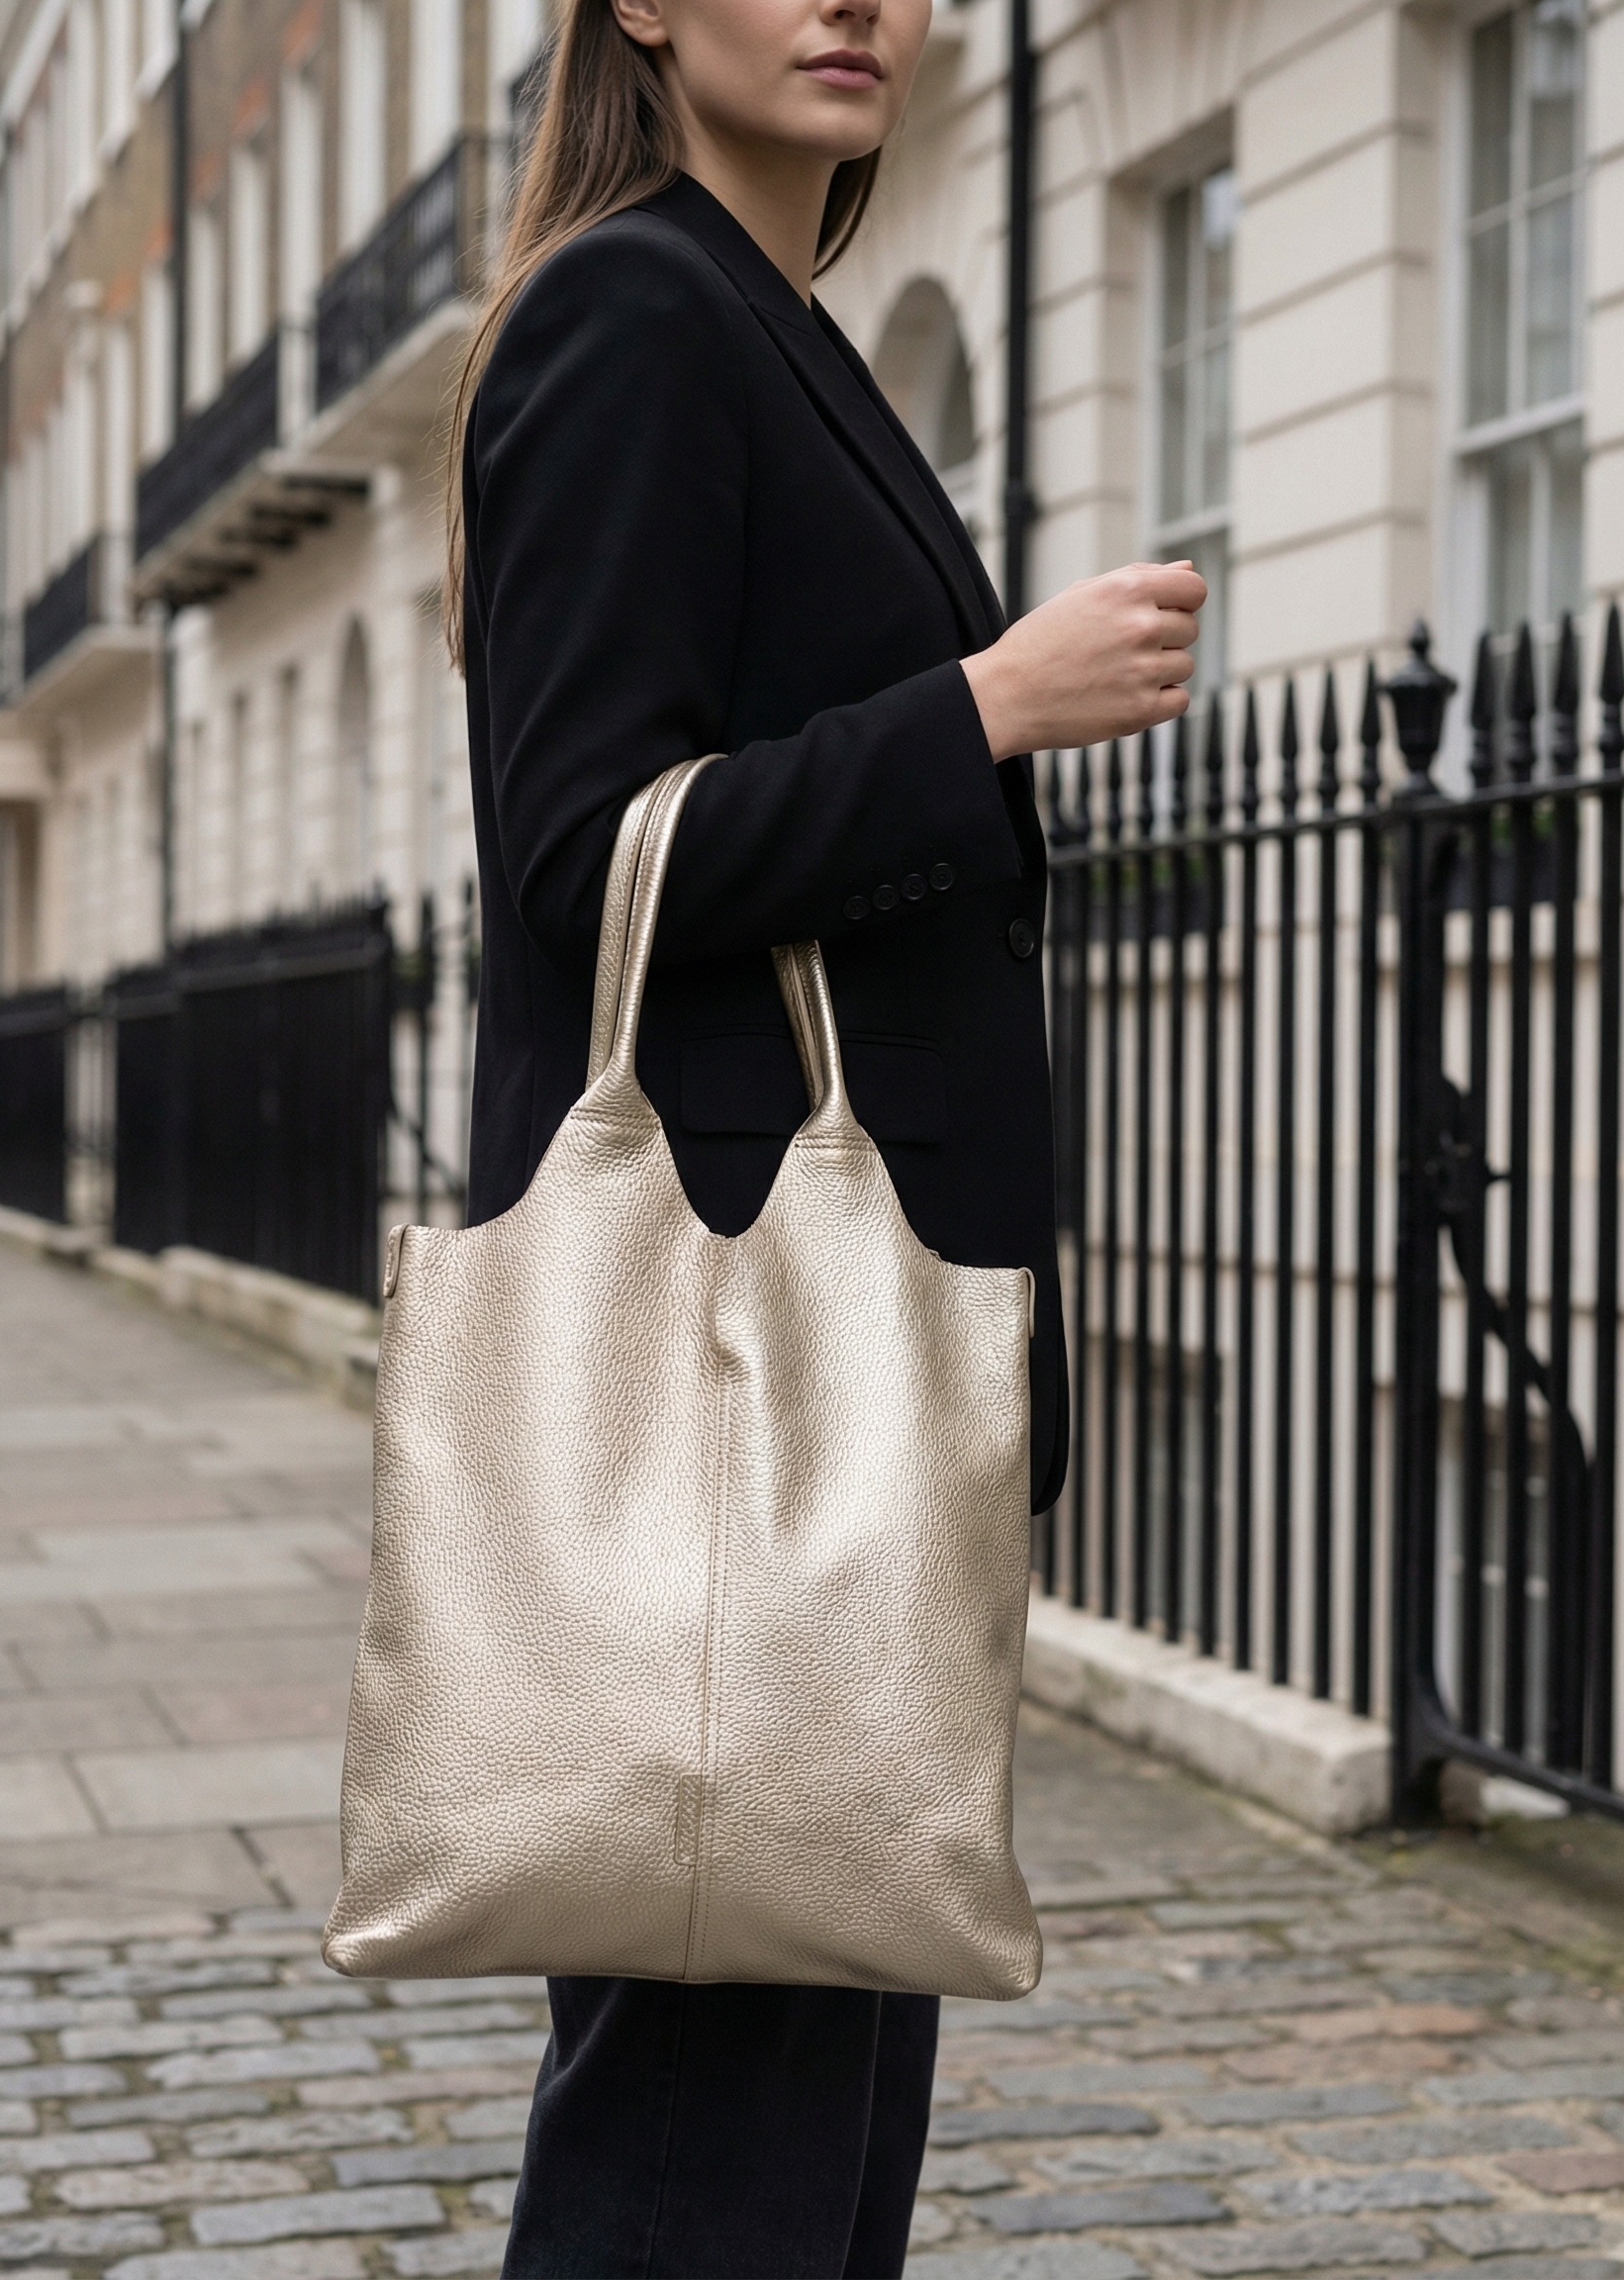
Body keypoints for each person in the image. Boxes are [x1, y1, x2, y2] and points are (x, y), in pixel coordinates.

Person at [448, 0, 1204, 2265]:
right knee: (712, 2157)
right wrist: (984, 709)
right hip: (736, 1395)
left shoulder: (769, 325)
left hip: (844, 1386)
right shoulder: (630, 311)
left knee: (806, 2151)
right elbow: (579, 855)